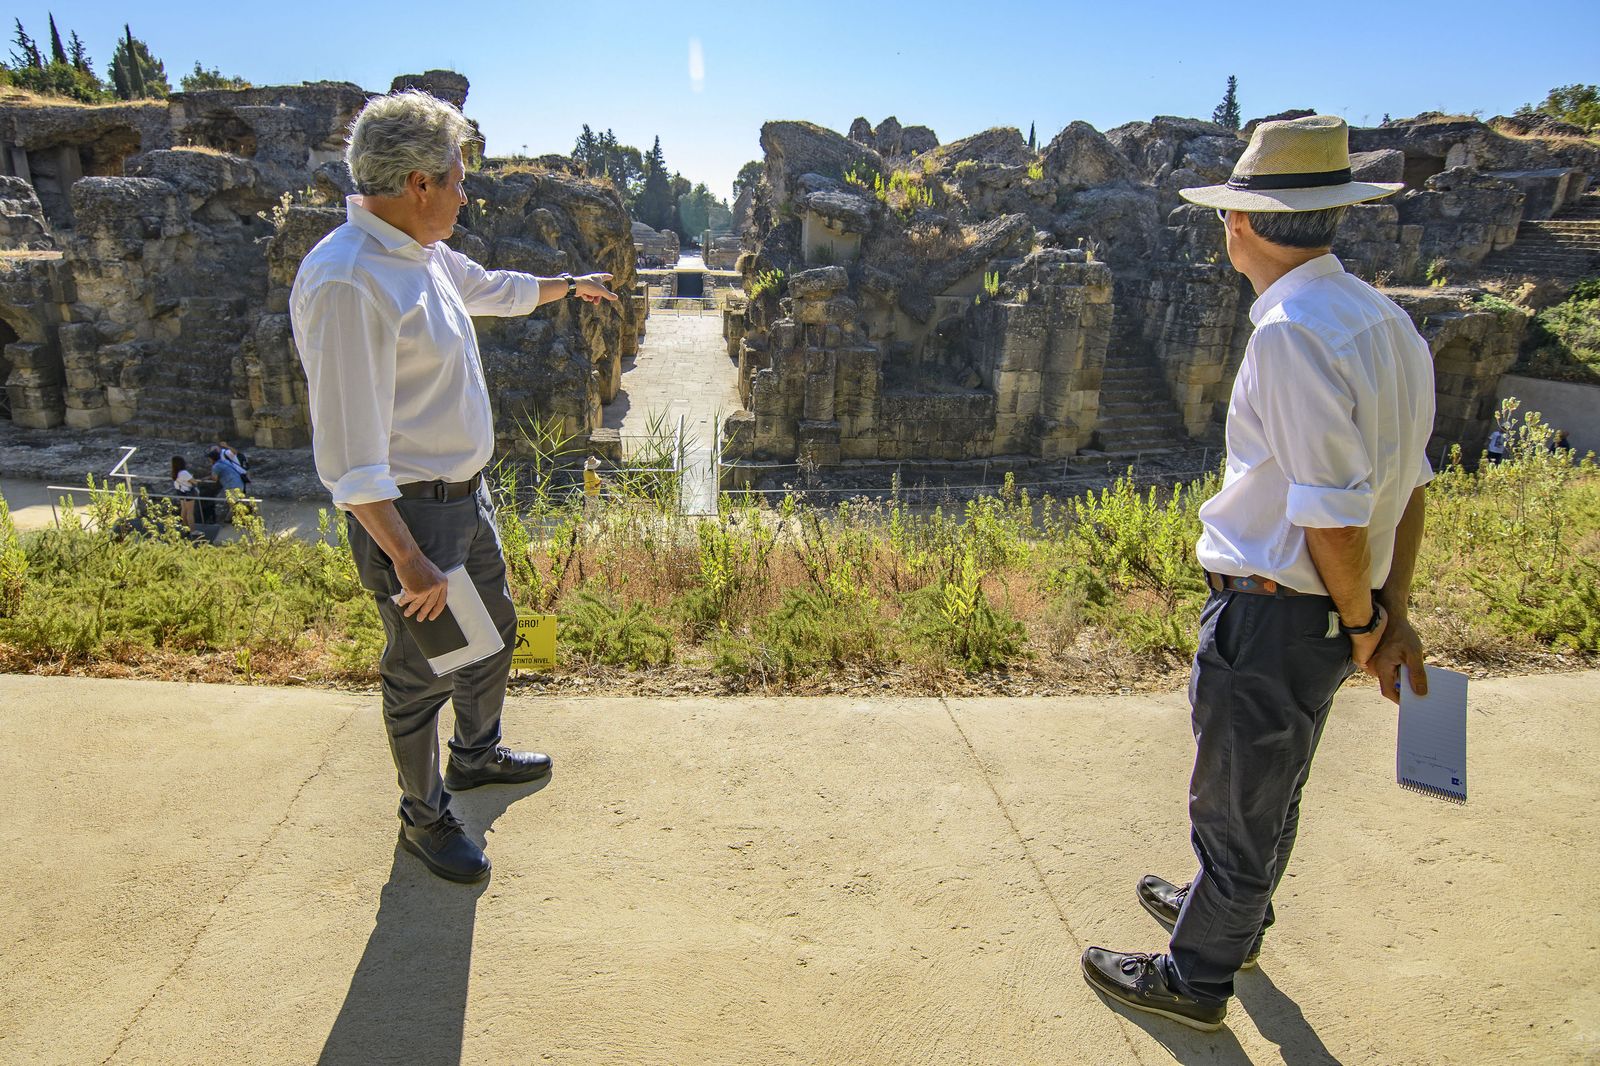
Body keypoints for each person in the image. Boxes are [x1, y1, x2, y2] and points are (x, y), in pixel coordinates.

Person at [1080, 115, 1436, 1032]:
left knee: (1234, 799)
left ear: (1237, 223)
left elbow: (1331, 509)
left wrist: (1364, 624)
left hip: (1279, 611)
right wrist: (1389, 609)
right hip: (1326, 611)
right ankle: (1232, 912)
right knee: (1273, 783)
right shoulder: (1387, 320)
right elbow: (1412, 489)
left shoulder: (1289, 331)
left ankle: (1197, 978)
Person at [290, 89, 619, 884]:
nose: (466, 194)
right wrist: (408, 563)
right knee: (420, 671)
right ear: (417, 182)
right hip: (412, 521)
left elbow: (492, 289)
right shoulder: (349, 281)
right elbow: (350, 462)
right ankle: (423, 816)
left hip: (461, 501)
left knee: (494, 631)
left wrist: (567, 284)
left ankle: (474, 756)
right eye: (459, 179)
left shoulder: (421, 253)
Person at [170, 455, 198, 528]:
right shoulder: (184, 473)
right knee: (190, 512)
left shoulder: (175, 472)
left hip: (180, 492)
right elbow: (195, 482)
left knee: (184, 510)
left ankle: (184, 527)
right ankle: (193, 530)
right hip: (188, 493)